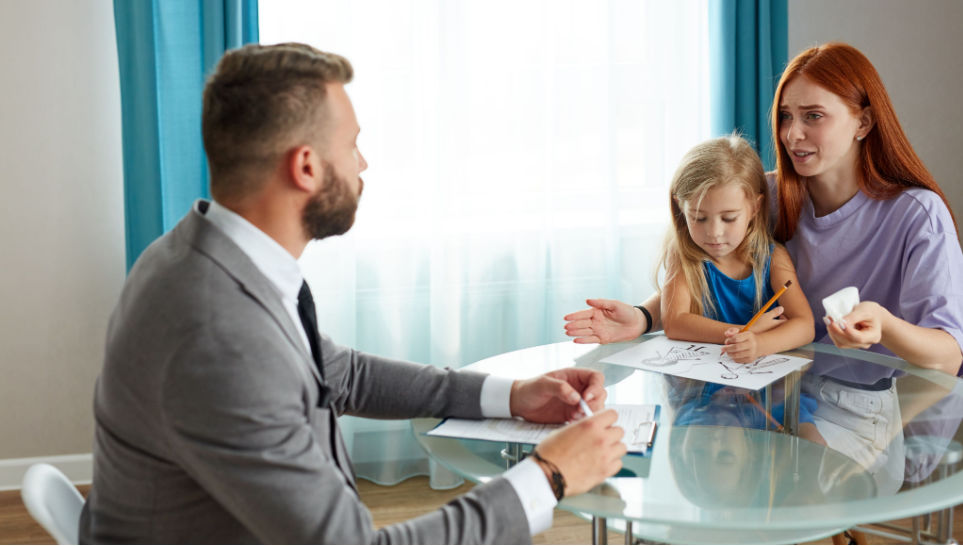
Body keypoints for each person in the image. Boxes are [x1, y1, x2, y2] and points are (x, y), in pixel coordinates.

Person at [79, 42, 627, 544]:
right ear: (307, 166)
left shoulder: (202, 253)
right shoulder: (219, 333)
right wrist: (549, 476)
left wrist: (513, 395)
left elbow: (341, 374)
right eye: (353, 144)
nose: (363, 164)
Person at [565, 42, 963, 491]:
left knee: (782, 495)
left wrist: (884, 326)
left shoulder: (917, 215)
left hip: (852, 406)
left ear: (863, 122)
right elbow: (708, 269)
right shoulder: (764, 197)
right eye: (786, 116)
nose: (792, 134)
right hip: (760, 385)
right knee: (699, 479)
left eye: (813, 116)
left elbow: (948, 355)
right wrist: (642, 317)